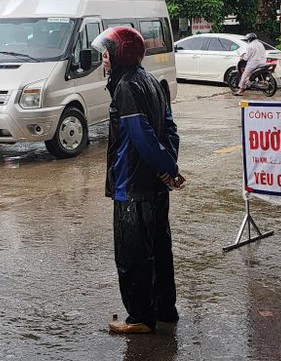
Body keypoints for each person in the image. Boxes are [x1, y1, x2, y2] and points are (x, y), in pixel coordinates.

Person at [91, 26, 185, 335]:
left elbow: (141, 136)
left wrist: (165, 168)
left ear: (119, 55)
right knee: (159, 249)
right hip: (155, 185)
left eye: (106, 54)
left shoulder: (127, 87)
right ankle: (164, 309)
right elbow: (169, 130)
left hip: (132, 186)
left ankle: (141, 317)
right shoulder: (151, 80)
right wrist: (168, 168)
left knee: (132, 256)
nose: (103, 60)